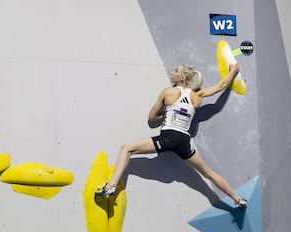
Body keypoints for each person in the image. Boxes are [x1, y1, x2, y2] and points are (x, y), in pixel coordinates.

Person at [95, 62, 247, 208]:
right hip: (184, 142)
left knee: (126, 148)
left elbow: (152, 117)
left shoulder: (168, 92)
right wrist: (234, 70)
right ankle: (238, 200)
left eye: (175, 71)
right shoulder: (197, 95)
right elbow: (221, 86)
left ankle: (111, 186)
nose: (172, 73)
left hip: (169, 137)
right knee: (208, 173)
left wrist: (166, 112)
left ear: (182, 77)